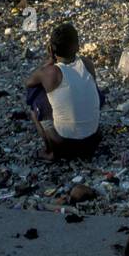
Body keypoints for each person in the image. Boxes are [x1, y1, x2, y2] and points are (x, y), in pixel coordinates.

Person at [25, 22, 102, 161]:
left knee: (35, 93)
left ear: (51, 49)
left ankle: (50, 151)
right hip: (93, 137)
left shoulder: (50, 72)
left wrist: (50, 60)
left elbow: (29, 83)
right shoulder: (87, 64)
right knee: (89, 90)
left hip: (64, 142)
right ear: (77, 46)